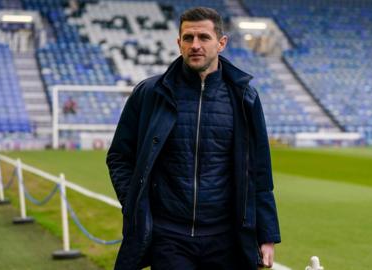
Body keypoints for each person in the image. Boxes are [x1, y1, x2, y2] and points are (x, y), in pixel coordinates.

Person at [107, 7, 280, 270]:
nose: (195, 45)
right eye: (188, 38)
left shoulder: (244, 97)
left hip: (225, 237)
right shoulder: (150, 93)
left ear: (221, 43)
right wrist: (135, 202)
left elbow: (259, 171)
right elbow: (120, 156)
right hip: (169, 236)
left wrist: (267, 235)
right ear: (178, 43)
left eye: (203, 37)